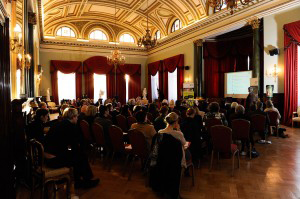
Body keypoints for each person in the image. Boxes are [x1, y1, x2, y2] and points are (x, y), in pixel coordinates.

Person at [44, 108, 99, 189]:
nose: (77, 118)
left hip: (46, 158)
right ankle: (84, 181)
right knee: (81, 156)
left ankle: (79, 181)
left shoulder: (58, 123)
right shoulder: (70, 126)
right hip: (54, 160)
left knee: (77, 156)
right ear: (73, 117)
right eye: (76, 117)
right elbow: (75, 146)